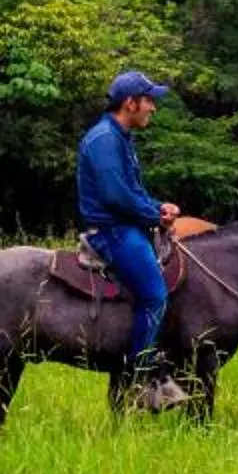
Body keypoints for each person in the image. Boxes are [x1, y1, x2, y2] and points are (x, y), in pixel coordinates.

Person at [78, 68, 184, 406]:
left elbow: (132, 192)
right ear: (130, 103)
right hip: (113, 232)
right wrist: (155, 216)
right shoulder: (105, 140)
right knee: (155, 294)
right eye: (149, 100)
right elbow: (115, 196)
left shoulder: (120, 137)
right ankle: (139, 378)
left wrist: (158, 207)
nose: (153, 107)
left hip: (126, 225)